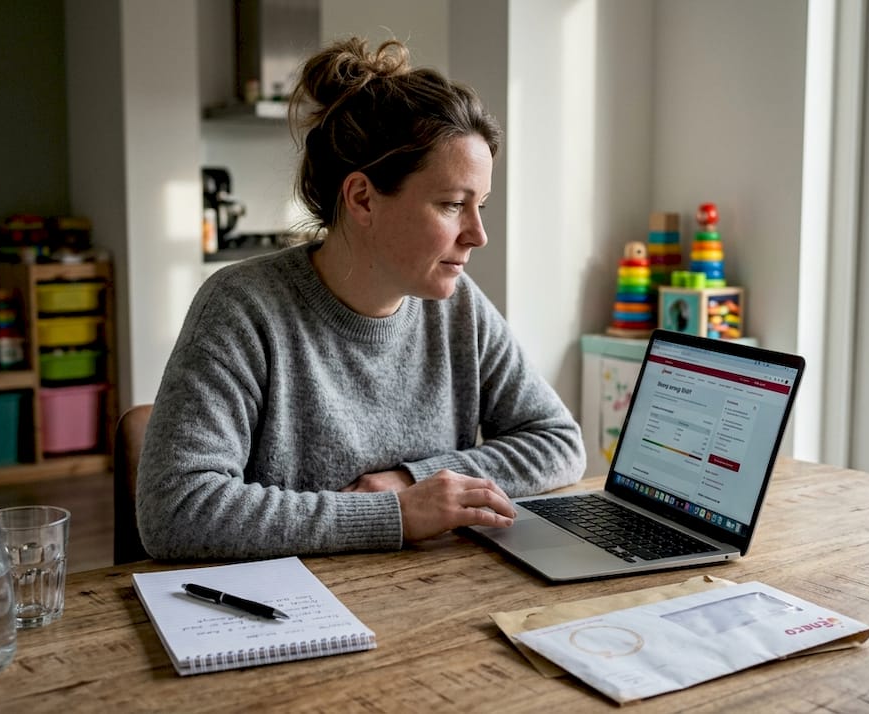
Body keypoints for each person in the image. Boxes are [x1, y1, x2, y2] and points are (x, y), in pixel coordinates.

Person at [136, 37, 586, 560]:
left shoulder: (461, 308)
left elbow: (558, 442)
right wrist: (396, 515)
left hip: (425, 601)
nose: (478, 234)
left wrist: (411, 483)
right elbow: (177, 510)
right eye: (452, 205)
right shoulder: (241, 309)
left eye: (480, 204)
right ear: (363, 198)